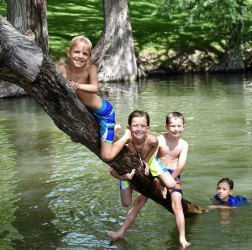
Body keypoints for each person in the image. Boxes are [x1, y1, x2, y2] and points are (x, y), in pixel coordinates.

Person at [57, 35, 130, 162]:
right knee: (75, 138)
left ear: (89, 57)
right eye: (76, 52)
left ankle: (126, 137)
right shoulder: (63, 69)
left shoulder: (91, 69)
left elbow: (95, 88)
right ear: (69, 52)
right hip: (85, 111)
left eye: (85, 54)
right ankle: (112, 131)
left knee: (106, 156)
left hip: (104, 113)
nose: (80, 56)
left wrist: (77, 85)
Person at [107, 110, 176, 238]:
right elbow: (111, 170)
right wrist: (122, 177)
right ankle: (138, 184)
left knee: (171, 184)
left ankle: (157, 180)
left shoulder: (152, 140)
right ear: (128, 128)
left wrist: (147, 161)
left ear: (148, 128)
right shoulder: (126, 143)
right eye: (135, 125)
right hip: (128, 171)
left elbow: (156, 146)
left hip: (149, 162)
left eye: (143, 126)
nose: (139, 129)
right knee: (126, 203)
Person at [156, 111, 191, 249]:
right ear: (166, 126)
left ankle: (182, 238)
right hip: (158, 173)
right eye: (172, 126)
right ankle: (121, 232)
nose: (176, 129)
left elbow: (181, 165)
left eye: (179, 126)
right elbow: (152, 158)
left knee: (177, 203)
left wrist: (169, 181)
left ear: (184, 127)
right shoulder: (160, 139)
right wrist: (161, 181)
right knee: (140, 200)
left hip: (174, 175)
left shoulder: (183, 144)